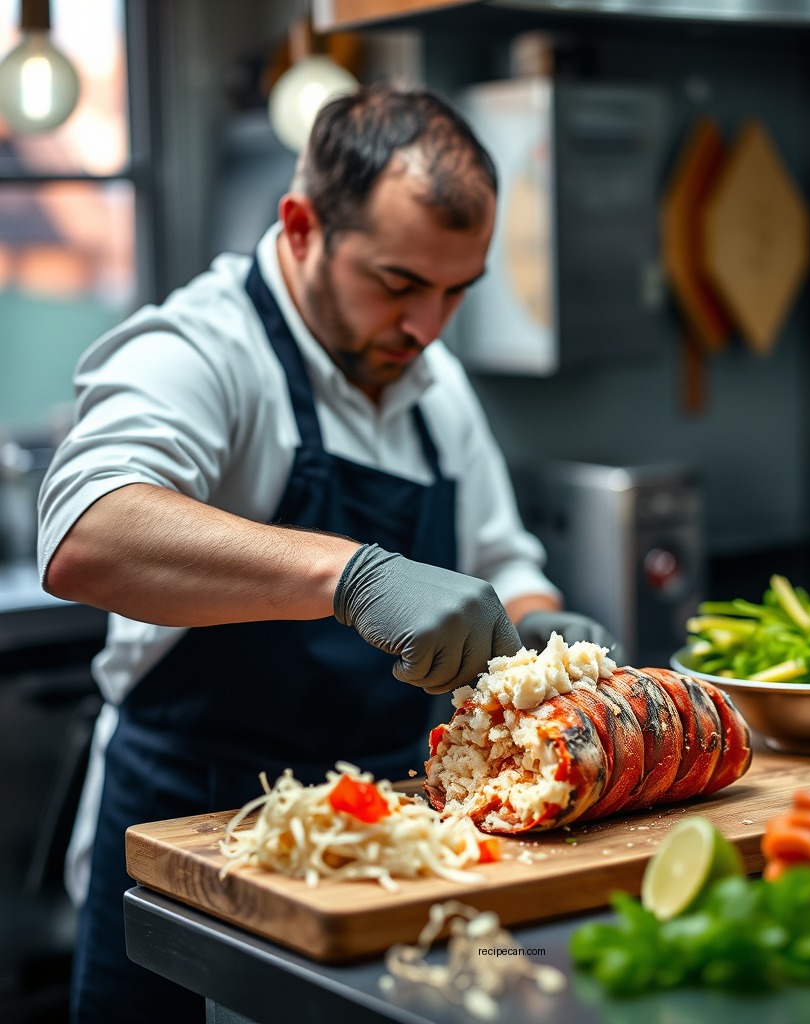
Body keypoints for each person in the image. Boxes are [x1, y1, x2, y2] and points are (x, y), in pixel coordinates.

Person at [37, 82, 619, 1023]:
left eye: (455, 291)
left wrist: (546, 625)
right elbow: (84, 530)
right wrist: (351, 577)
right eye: (398, 284)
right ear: (302, 226)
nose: (427, 328)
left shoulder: (434, 387)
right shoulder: (201, 347)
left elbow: (502, 556)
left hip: (396, 840)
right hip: (202, 829)